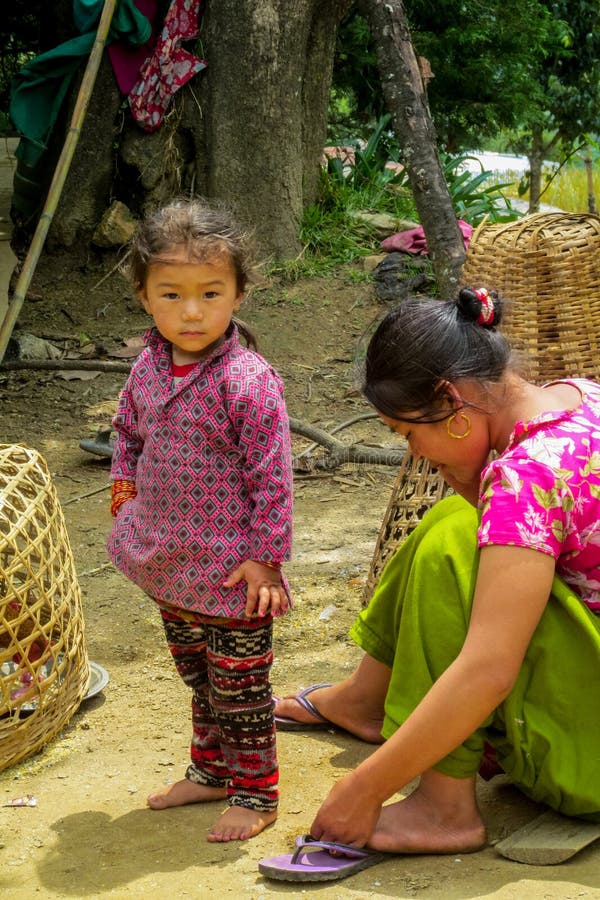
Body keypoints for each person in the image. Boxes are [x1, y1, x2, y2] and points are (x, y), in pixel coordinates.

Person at [268, 287, 600, 874]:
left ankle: (443, 807)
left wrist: (365, 788)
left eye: (405, 432)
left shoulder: (524, 479)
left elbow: (489, 670)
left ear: (452, 402)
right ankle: (366, 701)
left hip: (591, 762)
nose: (416, 453)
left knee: (452, 544)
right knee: (455, 517)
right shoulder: (578, 398)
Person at [106, 198, 293, 842]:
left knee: (240, 689)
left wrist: (268, 558)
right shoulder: (147, 368)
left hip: (236, 574)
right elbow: (126, 433)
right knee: (196, 675)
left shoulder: (247, 380)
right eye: (172, 294)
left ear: (238, 294)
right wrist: (123, 493)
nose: (192, 312)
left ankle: (256, 791)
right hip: (169, 564)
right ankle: (211, 772)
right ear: (144, 296)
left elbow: (273, 476)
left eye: (210, 293)